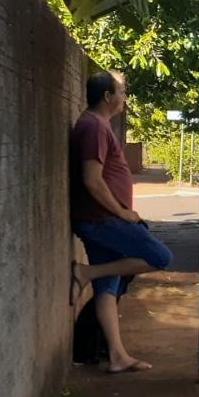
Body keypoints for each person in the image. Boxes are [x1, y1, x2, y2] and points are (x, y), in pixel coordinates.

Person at [68, 71, 172, 373]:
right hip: (102, 220)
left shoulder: (96, 125)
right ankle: (86, 272)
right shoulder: (94, 128)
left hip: (99, 220)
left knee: (108, 289)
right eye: (122, 92)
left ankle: (117, 355)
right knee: (160, 257)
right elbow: (93, 180)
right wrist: (123, 213)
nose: (125, 98)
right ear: (107, 97)